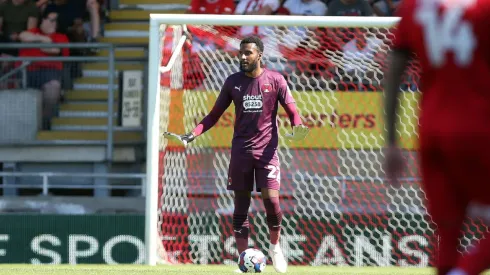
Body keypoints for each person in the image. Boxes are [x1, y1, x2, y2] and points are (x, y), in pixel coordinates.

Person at [170, 36, 309, 273]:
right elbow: (213, 115)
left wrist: (297, 125)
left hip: (267, 152)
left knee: (272, 202)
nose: (243, 57)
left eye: (248, 53)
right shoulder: (232, 82)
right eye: (241, 53)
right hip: (241, 152)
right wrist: (191, 135)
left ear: (259, 55)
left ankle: (275, 247)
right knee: (240, 207)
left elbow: (292, 109)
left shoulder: (275, 79)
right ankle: (244, 260)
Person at [384, 0, 490, 274]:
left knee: (448, 230)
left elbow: (393, 72)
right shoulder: (483, 8)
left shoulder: (413, 8)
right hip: (478, 127)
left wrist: (392, 142)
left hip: (430, 130)